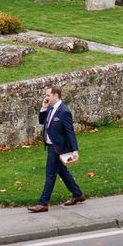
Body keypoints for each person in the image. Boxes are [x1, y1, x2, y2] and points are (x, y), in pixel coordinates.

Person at [27, 85, 86, 213]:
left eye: (48, 95)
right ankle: (78, 194)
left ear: (56, 95)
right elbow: (42, 121)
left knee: (50, 174)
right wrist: (43, 107)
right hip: (50, 146)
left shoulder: (64, 111)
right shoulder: (50, 108)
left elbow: (70, 132)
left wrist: (75, 150)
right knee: (63, 173)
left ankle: (43, 203)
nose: (46, 97)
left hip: (57, 148)